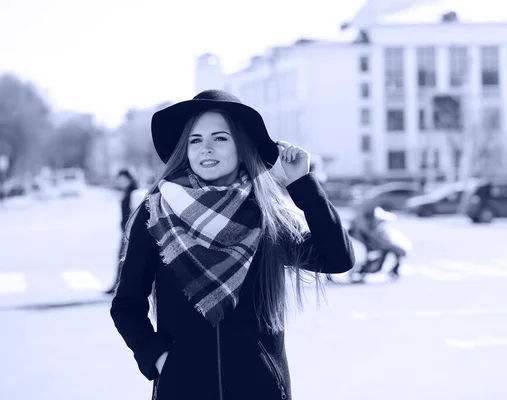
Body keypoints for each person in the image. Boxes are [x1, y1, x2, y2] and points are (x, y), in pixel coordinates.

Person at [109, 89, 355, 400]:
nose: (206, 148)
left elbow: (337, 258)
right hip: (182, 389)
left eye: (220, 138)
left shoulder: (266, 215)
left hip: (261, 389)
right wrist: (161, 359)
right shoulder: (156, 214)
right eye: (195, 140)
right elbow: (126, 305)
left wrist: (302, 183)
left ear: (242, 146)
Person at [104, 169, 138, 295]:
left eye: (122, 179)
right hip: (126, 231)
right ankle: (118, 286)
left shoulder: (134, 193)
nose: (120, 182)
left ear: (128, 179)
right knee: (123, 259)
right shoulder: (128, 192)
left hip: (130, 232)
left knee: (124, 259)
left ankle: (119, 287)